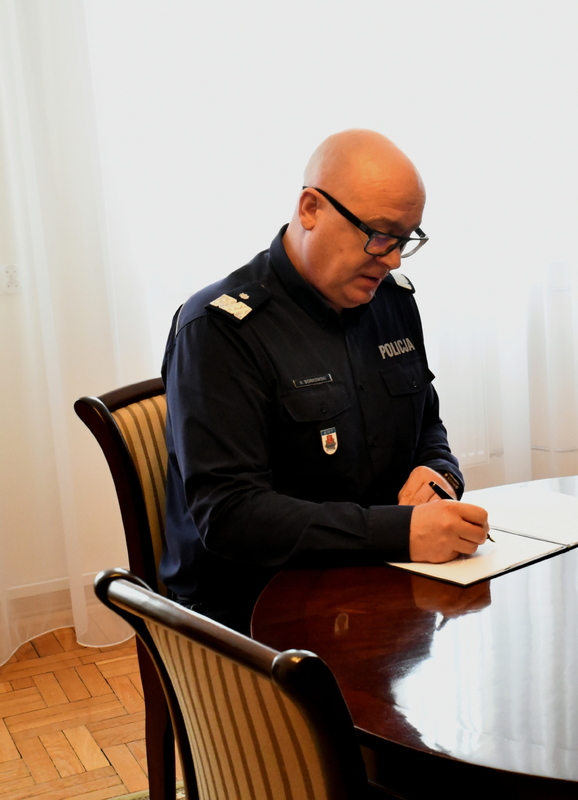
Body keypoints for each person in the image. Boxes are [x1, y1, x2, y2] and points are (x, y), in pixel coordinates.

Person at [161, 130, 489, 633]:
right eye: (379, 234)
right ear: (311, 209)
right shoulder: (220, 329)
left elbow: (427, 423)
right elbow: (231, 517)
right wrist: (401, 532)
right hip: (257, 609)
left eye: (406, 239)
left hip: (382, 580)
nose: (393, 259)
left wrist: (438, 472)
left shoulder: (392, 302)